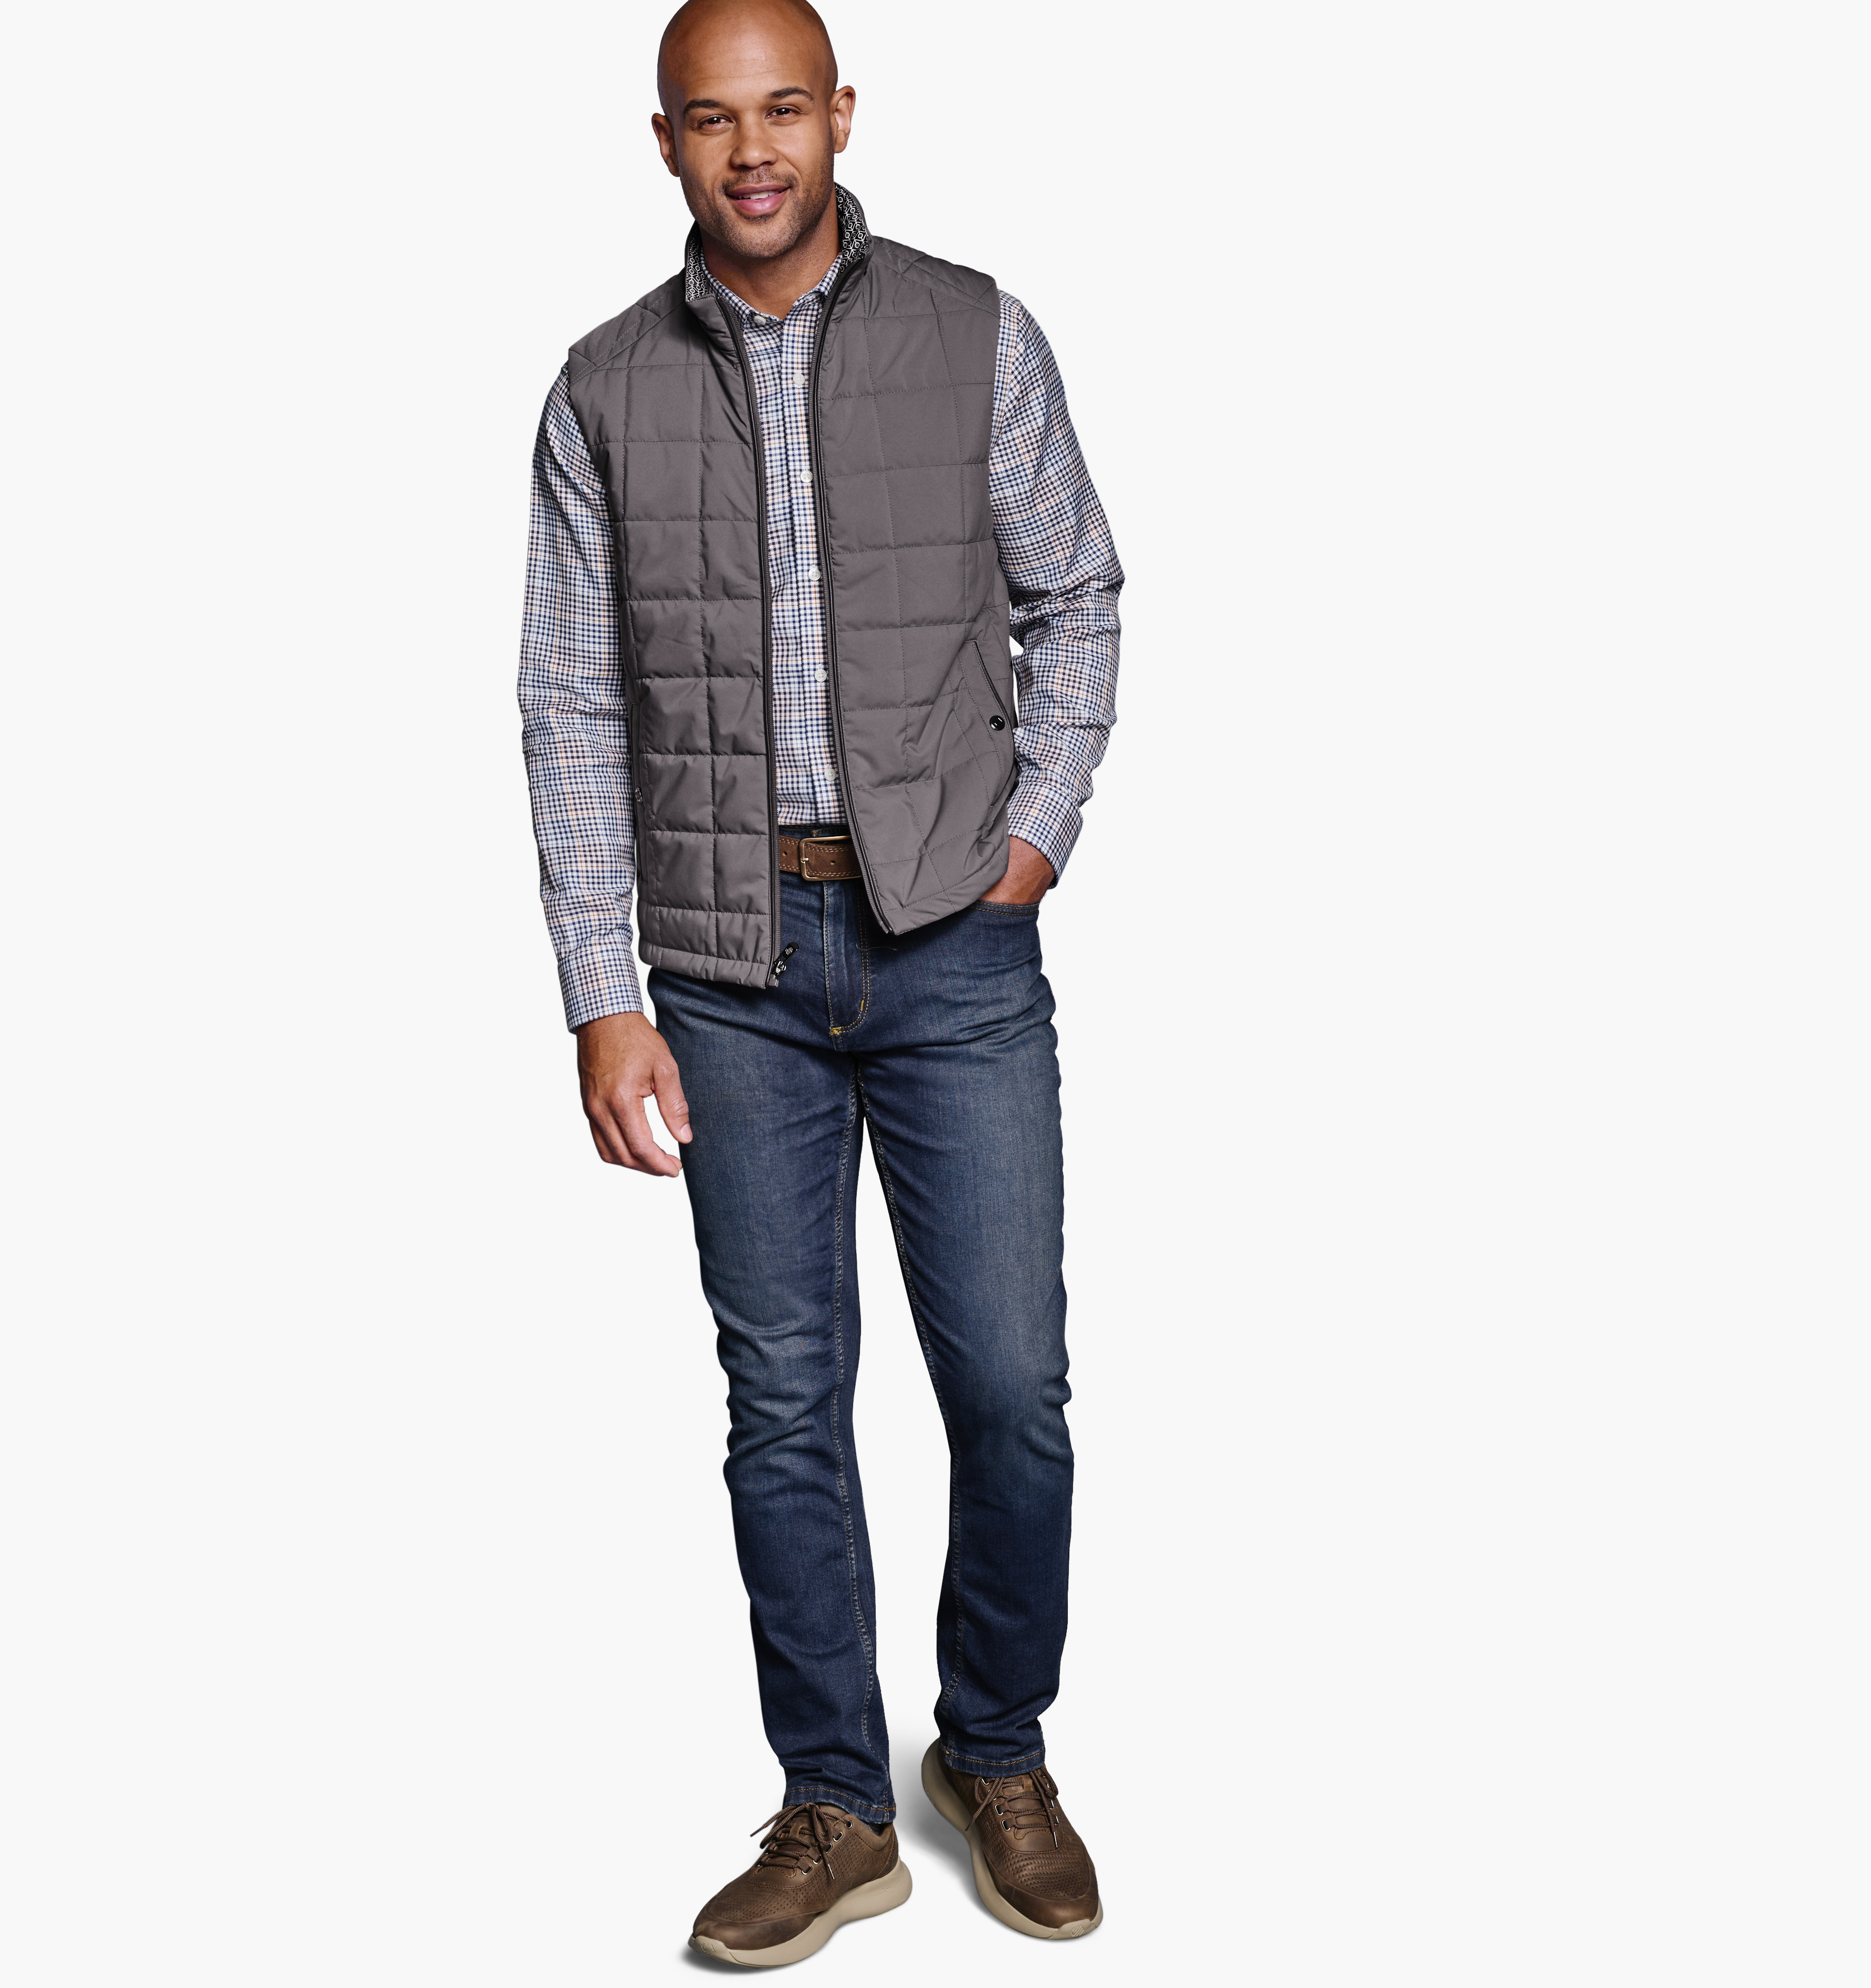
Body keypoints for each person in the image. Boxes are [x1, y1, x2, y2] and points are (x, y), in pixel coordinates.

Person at [517, 0, 1122, 1962]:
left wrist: (1034, 834)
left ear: (841, 115)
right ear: (666, 142)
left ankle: (995, 1752)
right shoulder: (602, 386)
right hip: (728, 970)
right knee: (781, 1401)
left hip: (955, 942)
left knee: (1008, 1385)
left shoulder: (975, 331)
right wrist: (600, 989)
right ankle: (837, 1803)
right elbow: (568, 698)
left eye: (783, 108)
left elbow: (1076, 593)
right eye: (713, 120)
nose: (752, 149)